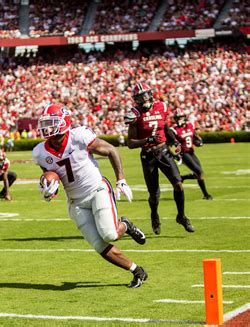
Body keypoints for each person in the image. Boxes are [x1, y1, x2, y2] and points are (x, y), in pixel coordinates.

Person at [33, 104, 148, 288]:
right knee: (99, 245)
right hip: (75, 202)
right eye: (45, 123)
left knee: (109, 234)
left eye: (51, 122)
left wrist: (121, 179)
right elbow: (51, 176)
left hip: (96, 190)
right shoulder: (40, 152)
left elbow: (111, 150)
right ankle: (136, 270)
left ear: (63, 123)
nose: (46, 127)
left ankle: (125, 224)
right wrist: (48, 190)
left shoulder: (79, 136)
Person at [125, 82, 195, 235]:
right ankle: (154, 215)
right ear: (136, 99)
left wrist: (175, 142)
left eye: (145, 95)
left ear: (150, 94)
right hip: (148, 156)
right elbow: (130, 143)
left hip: (163, 151)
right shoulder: (135, 114)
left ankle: (181, 216)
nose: (144, 99)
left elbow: (166, 128)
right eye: (140, 97)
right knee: (154, 195)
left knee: (178, 184)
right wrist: (147, 140)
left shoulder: (161, 107)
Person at [170, 109, 212, 200]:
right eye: (177, 118)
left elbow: (195, 137)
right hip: (183, 153)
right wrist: (175, 154)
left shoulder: (190, 125)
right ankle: (206, 194)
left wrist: (199, 141)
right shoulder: (174, 130)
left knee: (200, 173)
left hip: (191, 152)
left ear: (184, 117)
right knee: (199, 171)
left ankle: (183, 178)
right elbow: (170, 144)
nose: (179, 120)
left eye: (180, 117)